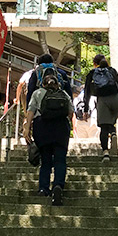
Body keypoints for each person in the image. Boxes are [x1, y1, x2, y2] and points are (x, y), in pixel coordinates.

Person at [22, 71, 76, 206]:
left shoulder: (37, 93)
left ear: (43, 83)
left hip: (43, 128)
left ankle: (43, 188)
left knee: (45, 160)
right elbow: (70, 113)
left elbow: (30, 112)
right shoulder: (64, 94)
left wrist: (27, 128)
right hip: (61, 129)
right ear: (57, 83)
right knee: (60, 159)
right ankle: (58, 185)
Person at [82, 54, 118, 162]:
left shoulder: (92, 73)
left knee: (104, 127)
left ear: (94, 64)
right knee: (111, 122)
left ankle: (105, 153)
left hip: (103, 100)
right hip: (117, 99)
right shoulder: (112, 71)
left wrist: (86, 109)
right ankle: (113, 133)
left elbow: (87, 92)